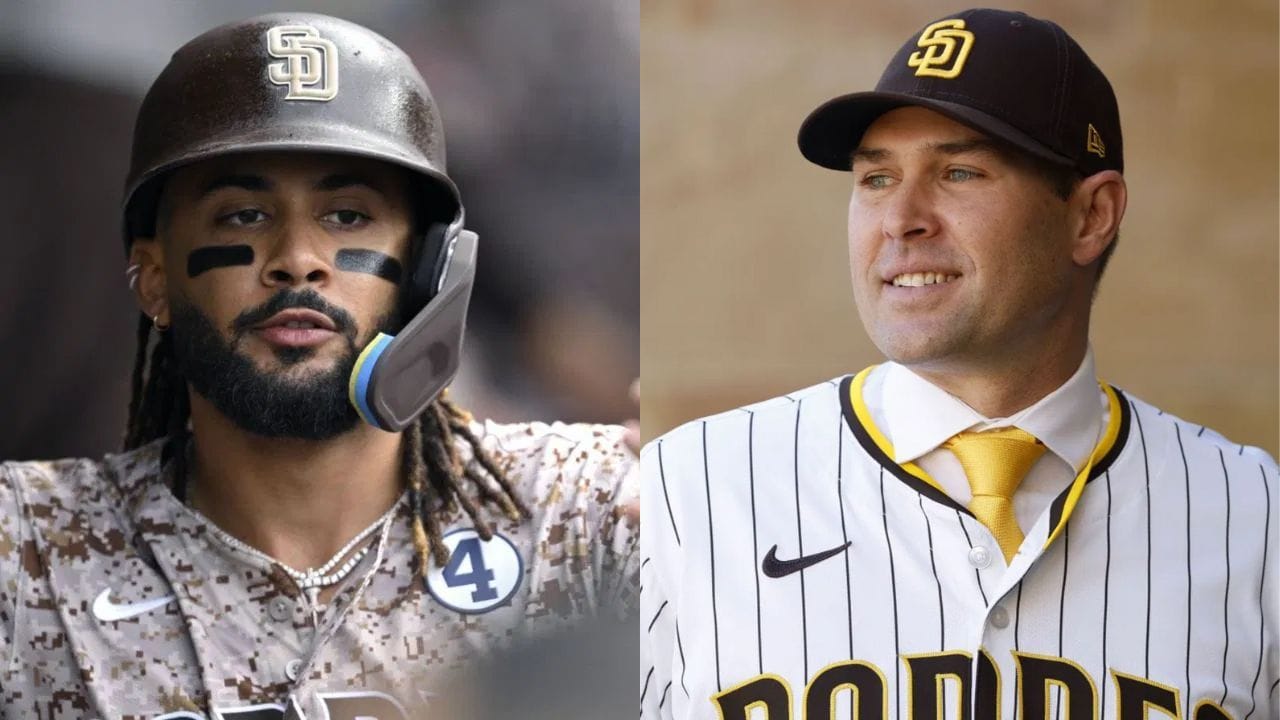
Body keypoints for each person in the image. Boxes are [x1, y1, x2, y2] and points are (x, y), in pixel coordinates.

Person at [640, 9, 1276, 720]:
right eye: (876, 178)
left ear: (1091, 216)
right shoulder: (686, 493)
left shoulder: (1257, 517)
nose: (901, 219)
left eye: (959, 172)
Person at [0, 13, 637, 720]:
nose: (298, 259)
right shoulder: (28, 548)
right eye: (243, 215)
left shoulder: (582, 507)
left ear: (429, 276)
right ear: (154, 279)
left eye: (348, 216)